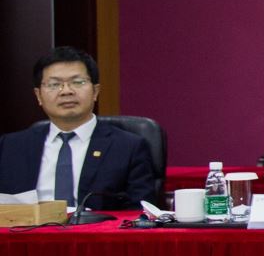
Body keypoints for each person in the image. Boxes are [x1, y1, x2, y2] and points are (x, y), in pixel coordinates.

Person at [0, 46, 157, 211]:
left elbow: (140, 214)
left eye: (78, 82)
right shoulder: (10, 147)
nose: (66, 91)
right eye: (54, 84)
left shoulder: (128, 148)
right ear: (39, 95)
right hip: (27, 228)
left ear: (95, 91)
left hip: (96, 228)